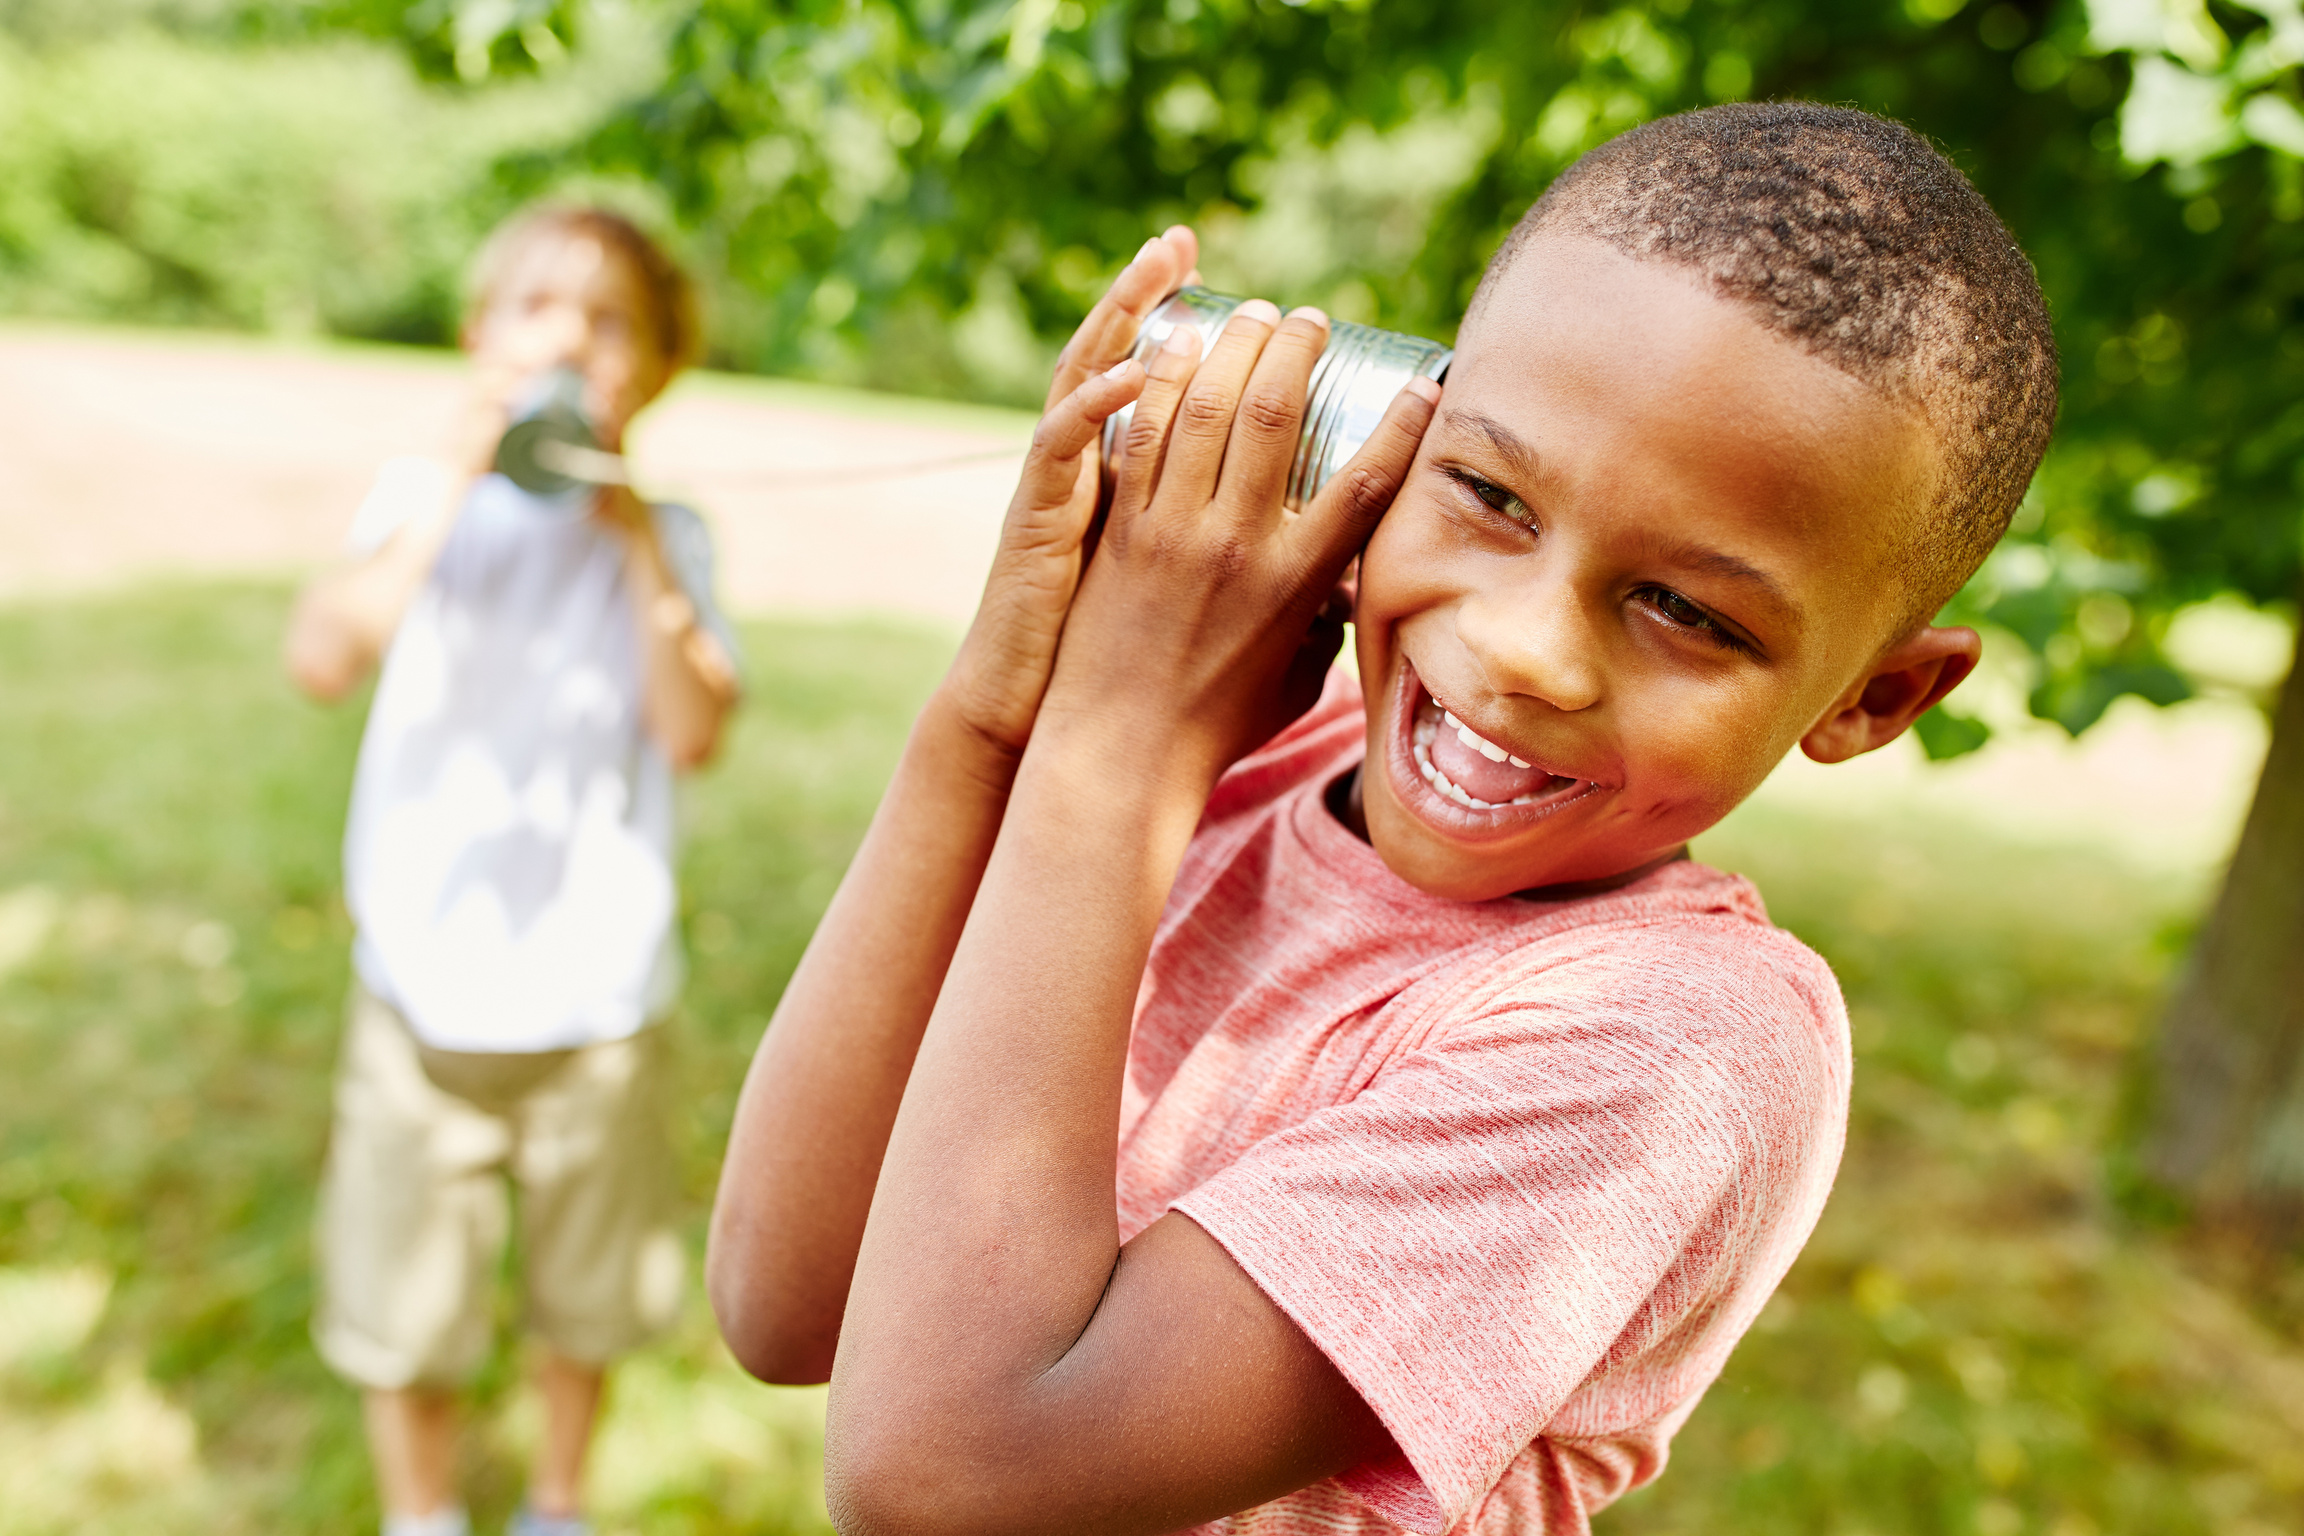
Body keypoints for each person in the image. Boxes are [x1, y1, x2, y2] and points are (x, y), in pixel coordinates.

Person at [707, 102, 2057, 1534]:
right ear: (1393, 439)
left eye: (1685, 609)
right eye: (1486, 491)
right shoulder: (1247, 755)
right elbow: (786, 1301)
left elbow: (938, 1481)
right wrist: (994, 719)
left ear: (1877, 696)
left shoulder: (1682, 1045)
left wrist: (1113, 746)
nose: (1531, 649)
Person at [286, 204, 741, 1536]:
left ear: (651, 373)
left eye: (608, 324)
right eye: (539, 308)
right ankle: (420, 1512)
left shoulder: (670, 541)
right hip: (420, 987)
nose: (570, 340)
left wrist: (633, 532)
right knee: (405, 1294)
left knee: (583, 1291)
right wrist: (447, 477)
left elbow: (694, 727)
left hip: (597, 994)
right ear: (481, 335)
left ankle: (555, 1500)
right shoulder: (425, 506)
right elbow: (324, 656)